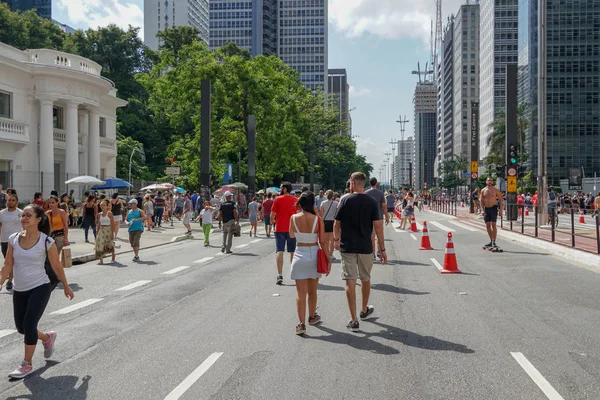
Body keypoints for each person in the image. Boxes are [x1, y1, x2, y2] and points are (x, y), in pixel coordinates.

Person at [0, 203, 74, 379]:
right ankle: (47, 338)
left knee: (29, 324)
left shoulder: (46, 241)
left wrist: (66, 285)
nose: (23, 218)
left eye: (28, 215)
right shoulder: (13, 238)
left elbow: (56, 265)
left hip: (40, 287)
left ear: (38, 219)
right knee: (22, 327)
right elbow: (8, 264)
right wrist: (1, 281)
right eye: (23, 215)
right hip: (20, 288)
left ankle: (26, 364)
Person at [334, 172, 386, 332]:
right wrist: (382, 249)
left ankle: (354, 319)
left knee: (350, 281)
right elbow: (378, 227)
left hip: (347, 246)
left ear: (353, 183)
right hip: (365, 247)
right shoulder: (371, 202)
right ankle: (364, 309)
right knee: (365, 278)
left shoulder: (345, 200)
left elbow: (337, 223)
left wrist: (336, 239)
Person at [289, 191, 330, 335]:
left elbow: (291, 234)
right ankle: (312, 317)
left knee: (301, 293)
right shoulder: (317, 220)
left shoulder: (293, 218)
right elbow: (323, 241)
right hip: (313, 254)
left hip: (299, 254)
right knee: (313, 292)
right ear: (313, 203)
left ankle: (301, 324)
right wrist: (328, 258)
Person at [271, 182, 298, 285]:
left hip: (280, 229)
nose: (280, 189)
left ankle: (279, 274)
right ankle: (294, 273)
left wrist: (272, 221)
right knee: (292, 252)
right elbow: (297, 214)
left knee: (279, 251)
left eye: (281, 187)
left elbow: (272, 215)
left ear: (286, 189)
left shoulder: (277, 199)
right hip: (292, 229)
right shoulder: (295, 200)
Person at [0, 193, 22, 290]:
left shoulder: (21, 213)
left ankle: (10, 280)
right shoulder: (2, 213)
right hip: (4, 240)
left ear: (16, 202)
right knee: (7, 260)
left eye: (13, 200)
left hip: (17, 240)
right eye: (9, 200)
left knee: (15, 260)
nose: (11, 202)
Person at [365, 177, 389, 259]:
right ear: (376, 184)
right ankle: (379, 251)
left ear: (369, 183)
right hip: (379, 216)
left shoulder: (366, 193)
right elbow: (383, 206)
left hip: (369, 217)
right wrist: (387, 216)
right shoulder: (380, 193)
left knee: (372, 236)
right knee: (379, 234)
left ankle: (372, 253)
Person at [479, 177, 503, 248]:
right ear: (486, 182)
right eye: (488, 180)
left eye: (491, 180)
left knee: (493, 224)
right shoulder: (483, 190)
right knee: (487, 225)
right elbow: (481, 201)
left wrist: (501, 210)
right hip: (486, 208)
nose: (490, 182)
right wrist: (482, 210)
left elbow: (501, 200)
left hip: (493, 208)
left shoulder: (496, 190)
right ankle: (491, 240)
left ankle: (493, 241)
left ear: (492, 182)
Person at [45, 195, 70, 262]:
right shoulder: (47, 213)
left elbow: (65, 225)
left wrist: (66, 237)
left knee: (56, 254)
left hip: (60, 235)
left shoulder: (61, 212)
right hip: (50, 235)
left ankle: (56, 270)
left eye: (53, 202)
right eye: (49, 203)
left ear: (57, 203)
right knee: (51, 255)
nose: (51, 204)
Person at [95, 200, 115, 264]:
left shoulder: (109, 213)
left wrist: (112, 233)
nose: (102, 206)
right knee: (100, 244)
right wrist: (97, 232)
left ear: (107, 206)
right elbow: (99, 224)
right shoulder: (99, 214)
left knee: (109, 244)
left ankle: (113, 257)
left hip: (108, 230)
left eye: (104, 205)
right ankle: (101, 260)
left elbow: (112, 224)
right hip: (102, 230)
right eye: (101, 205)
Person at [319, 190, 338, 258]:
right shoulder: (336, 203)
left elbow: (321, 214)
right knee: (332, 240)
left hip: (325, 222)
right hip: (333, 222)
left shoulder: (323, 203)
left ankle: (326, 253)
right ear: (333, 196)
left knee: (326, 240)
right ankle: (331, 254)